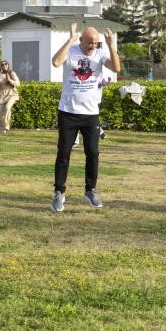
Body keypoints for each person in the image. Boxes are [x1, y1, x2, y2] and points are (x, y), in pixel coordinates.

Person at [50, 23, 120, 211]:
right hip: (68, 111)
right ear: (81, 40)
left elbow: (116, 68)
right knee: (64, 153)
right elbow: (56, 62)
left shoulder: (100, 52)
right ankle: (59, 192)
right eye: (90, 43)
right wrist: (70, 39)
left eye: (96, 43)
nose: (93, 47)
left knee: (93, 152)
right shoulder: (72, 50)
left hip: (90, 114)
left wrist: (110, 45)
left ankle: (90, 190)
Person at [0, 60, 20, 131]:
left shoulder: (12, 73)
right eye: (2, 65)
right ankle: (2, 127)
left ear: (8, 65)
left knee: (7, 107)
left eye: (6, 64)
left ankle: (7, 126)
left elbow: (18, 84)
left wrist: (9, 80)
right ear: (1, 67)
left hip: (12, 94)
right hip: (2, 96)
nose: (4, 65)